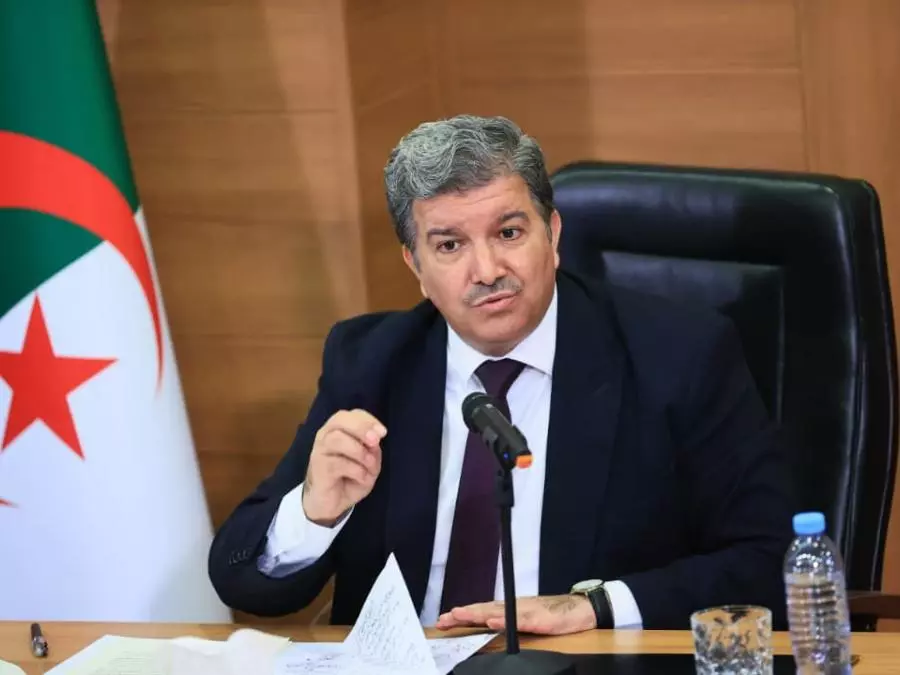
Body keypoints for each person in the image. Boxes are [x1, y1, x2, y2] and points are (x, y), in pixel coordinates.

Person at [208, 114, 793, 634]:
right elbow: (242, 579)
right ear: (416, 266)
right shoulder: (372, 361)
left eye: (509, 233)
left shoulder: (676, 356)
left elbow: (772, 559)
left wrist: (594, 606)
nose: (487, 270)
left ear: (553, 235)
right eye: (450, 246)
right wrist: (315, 511)